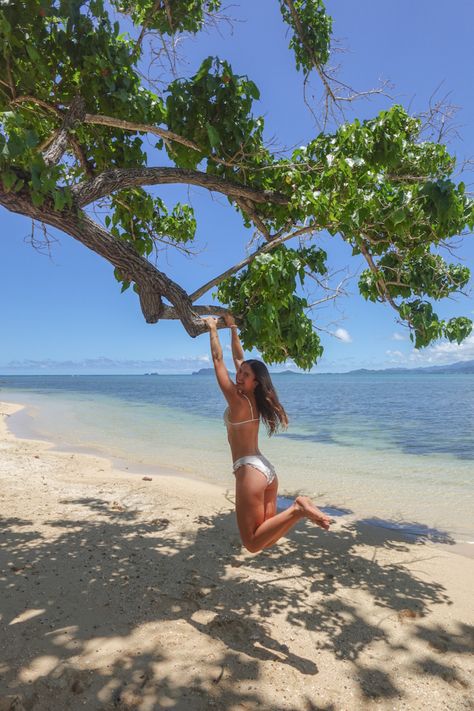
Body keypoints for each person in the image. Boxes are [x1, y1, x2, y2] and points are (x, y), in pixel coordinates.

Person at [203, 314, 332, 553]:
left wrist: (212, 328)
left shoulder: (237, 400)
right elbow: (239, 358)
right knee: (266, 538)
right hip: (266, 470)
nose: (239, 376)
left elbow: (218, 360)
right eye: (240, 373)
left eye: (245, 376)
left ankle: (298, 509)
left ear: (256, 383)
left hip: (249, 471)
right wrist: (231, 328)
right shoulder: (252, 399)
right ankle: (298, 511)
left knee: (251, 544)